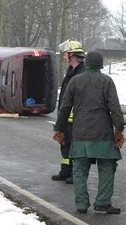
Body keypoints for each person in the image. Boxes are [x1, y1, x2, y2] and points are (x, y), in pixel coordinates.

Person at [53, 51, 124, 214]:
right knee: (107, 168)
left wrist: (59, 128)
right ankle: (103, 202)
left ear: (87, 64)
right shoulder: (107, 81)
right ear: (100, 65)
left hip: (80, 134)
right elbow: (114, 109)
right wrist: (119, 129)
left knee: (79, 171)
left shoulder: (75, 81)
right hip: (103, 134)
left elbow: (64, 107)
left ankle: (81, 204)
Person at [51, 40, 86, 184]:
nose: (65, 57)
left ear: (72, 55)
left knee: (75, 147)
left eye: (66, 54)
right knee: (65, 145)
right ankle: (65, 171)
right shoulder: (71, 72)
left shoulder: (81, 74)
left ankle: (74, 173)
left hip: (76, 119)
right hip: (66, 118)